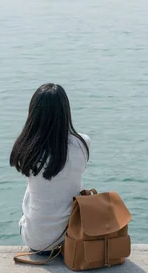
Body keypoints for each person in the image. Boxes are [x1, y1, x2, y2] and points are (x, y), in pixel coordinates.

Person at [10, 83, 90, 255]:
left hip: (36, 241)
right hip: (71, 237)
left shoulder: (27, 147)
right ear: (65, 112)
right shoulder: (83, 143)